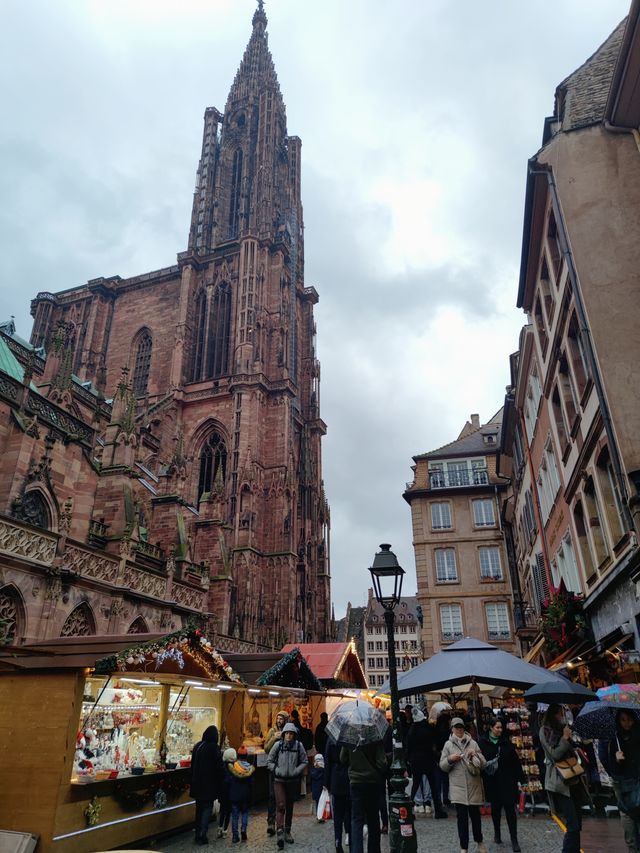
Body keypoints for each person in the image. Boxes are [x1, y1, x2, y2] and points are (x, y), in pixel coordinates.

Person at [539, 703, 586, 853]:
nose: (562, 716)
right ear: (553, 715)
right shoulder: (545, 731)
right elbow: (554, 754)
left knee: (577, 823)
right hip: (559, 781)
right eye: (560, 713)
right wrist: (565, 738)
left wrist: (571, 740)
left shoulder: (562, 728)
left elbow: (568, 749)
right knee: (572, 823)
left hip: (573, 777)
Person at [440, 716, 488, 853]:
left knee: (476, 818)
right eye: (456, 727)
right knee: (462, 820)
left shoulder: (473, 743)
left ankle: (480, 842)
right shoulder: (448, 745)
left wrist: (476, 755)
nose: (459, 730)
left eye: (461, 727)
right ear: (452, 729)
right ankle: (464, 847)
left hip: (474, 786)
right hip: (458, 788)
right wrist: (450, 759)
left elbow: (484, 763)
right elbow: (442, 766)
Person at [479, 717, 524, 851]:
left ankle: (514, 838)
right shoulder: (482, 743)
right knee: (496, 809)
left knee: (510, 810)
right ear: (491, 728)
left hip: (507, 781)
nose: (500, 730)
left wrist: (521, 779)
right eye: (497, 727)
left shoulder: (506, 742)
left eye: (501, 727)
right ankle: (497, 833)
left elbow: (515, 762)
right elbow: (480, 763)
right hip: (492, 782)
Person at [340, 738, 388, 853]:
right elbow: (382, 763)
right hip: (372, 782)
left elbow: (342, 758)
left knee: (356, 820)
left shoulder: (350, 736)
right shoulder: (375, 736)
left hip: (356, 782)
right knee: (373, 819)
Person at [268, 722, 308, 849]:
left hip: (292, 781)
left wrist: (296, 771)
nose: (289, 736)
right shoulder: (277, 745)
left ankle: (287, 831)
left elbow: (304, 761)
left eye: (291, 733)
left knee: (290, 806)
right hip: (279, 780)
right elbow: (270, 760)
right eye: (287, 733)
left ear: (294, 735)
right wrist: (276, 770)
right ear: (284, 734)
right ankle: (279, 831)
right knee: (280, 805)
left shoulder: (298, 746)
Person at [607, 710, 640, 852]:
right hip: (625, 785)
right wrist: (617, 760)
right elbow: (612, 768)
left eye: (629, 719)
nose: (627, 723)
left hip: (638, 782)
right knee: (628, 822)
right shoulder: (615, 739)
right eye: (623, 719)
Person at [407, 706, 448, 819]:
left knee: (415, 785)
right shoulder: (427, 728)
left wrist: (409, 760)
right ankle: (438, 810)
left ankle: (409, 810)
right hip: (428, 760)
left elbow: (408, 747)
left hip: (416, 761)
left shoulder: (412, 730)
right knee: (433, 785)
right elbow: (435, 741)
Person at [190, 725, 224, 846]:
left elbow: (192, 765)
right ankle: (202, 834)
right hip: (209, 784)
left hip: (197, 783)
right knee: (207, 808)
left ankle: (197, 832)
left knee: (199, 809)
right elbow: (220, 767)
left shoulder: (197, 746)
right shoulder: (214, 748)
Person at [325, 734, 351, 852]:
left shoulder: (331, 739)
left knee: (338, 814)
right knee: (348, 811)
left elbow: (327, 761)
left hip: (335, 778)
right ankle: (349, 836)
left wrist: (327, 783)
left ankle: (337, 841)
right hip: (348, 777)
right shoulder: (349, 738)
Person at [264, 709, 289, 836]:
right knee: (272, 795)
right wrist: (274, 738)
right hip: (274, 768)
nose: (279, 721)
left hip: (285, 768)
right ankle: (270, 822)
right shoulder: (272, 731)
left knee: (284, 797)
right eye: (278, 718)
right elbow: (266, 748)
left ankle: (283, 825)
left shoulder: (289, 732)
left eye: (281, 719)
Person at [227, 746, 255, 843]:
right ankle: (243, 830)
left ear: (238, 756)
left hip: (234, 795)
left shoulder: (233, 767)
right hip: (245, 796)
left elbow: (229, 781)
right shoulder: (249, 769)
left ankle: (235, 836)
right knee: (245, 813)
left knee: (234, 816)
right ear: (246, 756)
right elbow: (251, 784)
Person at [431, 703, 453, 806]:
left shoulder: (435, 730)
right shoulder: (448, 732)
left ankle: (439, 798)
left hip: (438, 756)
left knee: (439, 778)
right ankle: (445, 797)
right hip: (445, 756)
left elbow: (434, 744)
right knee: (445, 777)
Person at [218, 747, 235, 838]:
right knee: (228, 812)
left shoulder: (222, 766)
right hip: (230, 793)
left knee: (222, 811)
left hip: (222, 792)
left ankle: (220, 828)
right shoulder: (234, 768)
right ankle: (225, 830)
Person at [311, 753, 326, 819]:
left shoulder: (313, 770)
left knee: (318, 803)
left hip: (316, 791)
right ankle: (323, 815)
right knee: (323, 802)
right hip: (322, 789)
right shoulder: (324, 770)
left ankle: (318, 815)